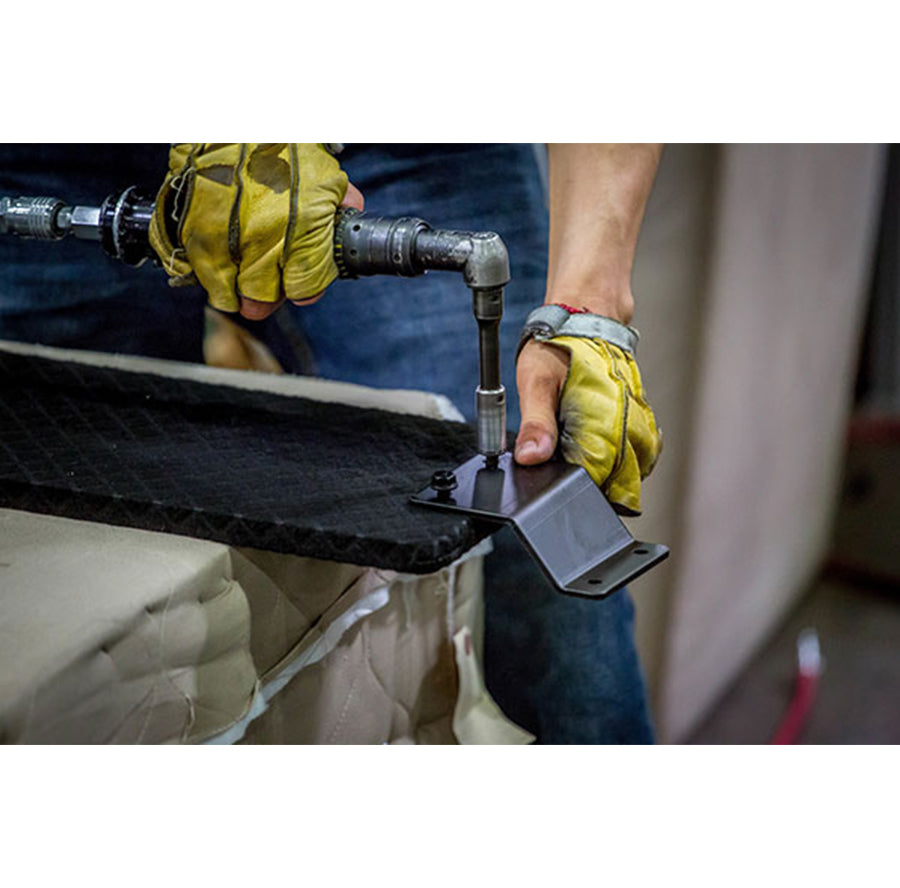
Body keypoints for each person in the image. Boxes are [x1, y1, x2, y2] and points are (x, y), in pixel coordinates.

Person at [1, 143, 663, 743]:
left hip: (406, 141)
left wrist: (589, 305)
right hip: (56, 153)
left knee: (526, 526)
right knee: (72, 579)